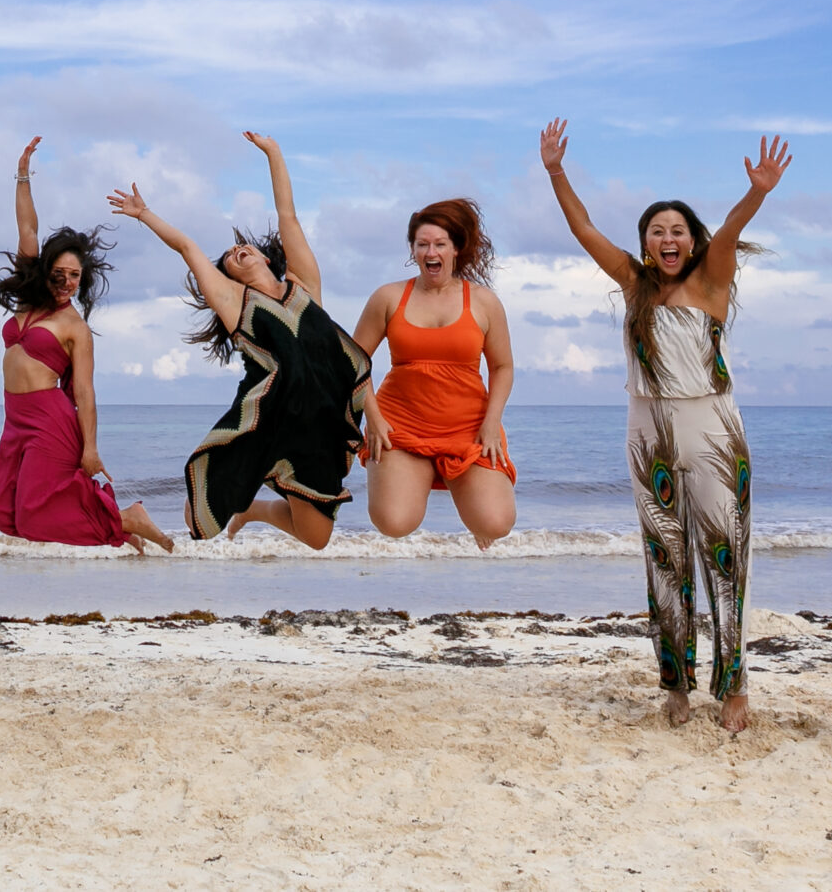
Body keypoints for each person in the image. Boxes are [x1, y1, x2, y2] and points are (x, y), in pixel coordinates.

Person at [541, 121, 790, 731]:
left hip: (711, 426)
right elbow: (582, 229)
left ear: (692, 239)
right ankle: (675, 684)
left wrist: (757, 193)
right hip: (646, 429)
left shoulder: (711, 280)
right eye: (657, 232)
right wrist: (555, 171)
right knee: (664, 560)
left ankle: (733, 689)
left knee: (725, 558)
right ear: (647, 245)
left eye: (678, 230)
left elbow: (732, 229)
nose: (668, 238)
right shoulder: (634, 285)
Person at [109, 131, 373, 549]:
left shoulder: (304, 286)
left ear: (266, 257)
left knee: (317, 538)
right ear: (229, 277)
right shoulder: (236, 303)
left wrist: (274, 153)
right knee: (203, 513)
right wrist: (145, 215)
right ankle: (228, 504)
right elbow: (187, 247)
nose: (238, 252)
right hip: (267, 419)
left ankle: (256, 511)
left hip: (319, 423)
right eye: (230, 257)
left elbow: (288, 216)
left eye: (243, 247)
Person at [0, 138, 173, 553]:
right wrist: (22, 174)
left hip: (50, 421)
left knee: (36, 517)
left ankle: (126, 518)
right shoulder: (28, 299)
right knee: (9, 518)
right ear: (47, 267)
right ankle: (122, 526)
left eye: (76, 276)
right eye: (63, 271)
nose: (69, 280)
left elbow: (85, 392)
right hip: (14, 418)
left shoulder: (75, 327)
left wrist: (91, 448)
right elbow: (28, 228)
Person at [349, 197, 517, 547]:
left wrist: (491, 424)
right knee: (394, 523)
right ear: (412, 250)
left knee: (497, 523)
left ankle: (466, 496)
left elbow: (502, 367)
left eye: (440, 244)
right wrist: (374, 418)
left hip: (468, 425)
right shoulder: (389, 297)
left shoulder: (484, 302)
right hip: (401, 424)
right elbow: (352, 359)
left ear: (456, 249)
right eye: (422, 244)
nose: (431, 251)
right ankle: (419, 473)